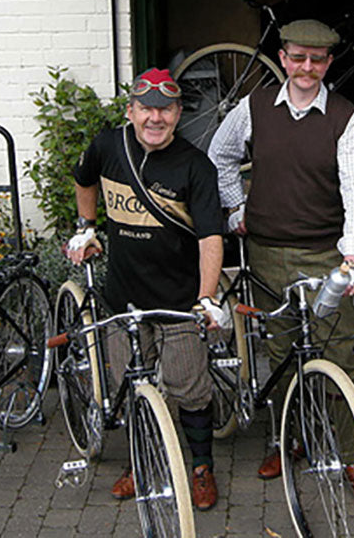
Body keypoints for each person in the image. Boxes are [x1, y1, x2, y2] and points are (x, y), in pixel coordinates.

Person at [207, 18, 354, 504]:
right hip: (265, 254)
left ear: (328, 63)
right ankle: (288, 439)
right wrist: (236, 205)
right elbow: (219, 155)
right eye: (298, 57)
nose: (307, 67)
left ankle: (353, 457)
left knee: (343, 356)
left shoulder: (346, 118)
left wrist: (353, 256)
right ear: (283, 58)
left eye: (317, 59)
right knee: (282, 356)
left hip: (325, 255)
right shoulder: (254, 107)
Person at [66, 67, 225, 511]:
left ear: (178, 114)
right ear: (132, 111)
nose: (155, 119)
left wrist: (207, 298)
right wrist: (87, 227)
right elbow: (83, 179)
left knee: (190, 388)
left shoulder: (196, 166)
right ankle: (140, 463)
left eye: (166, 110)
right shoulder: (107, 146)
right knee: (130, 384)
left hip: (177, 299)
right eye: (146, 109)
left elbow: (211, 237)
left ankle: (200, 466)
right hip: (122, 297)